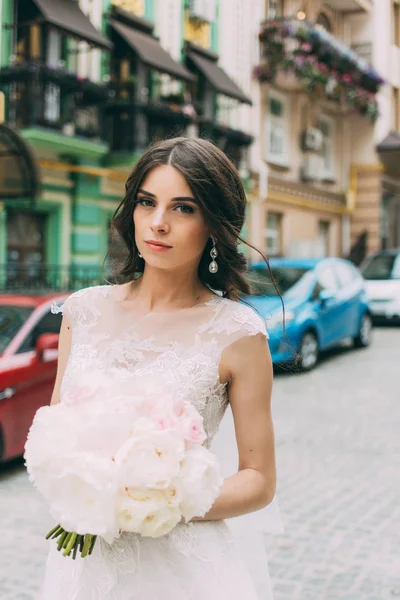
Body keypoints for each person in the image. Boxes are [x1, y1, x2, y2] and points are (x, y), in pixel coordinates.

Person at [40, 137, 281, 599]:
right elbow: (57, 433)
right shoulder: (82, 312)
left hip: (181, 572)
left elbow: (259, 480)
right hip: (82, 567)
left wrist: (159, 500)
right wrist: (78, 485)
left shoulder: (237, 333)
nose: (158, 223)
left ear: (214, 224)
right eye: (147, 202)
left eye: (183, 209)